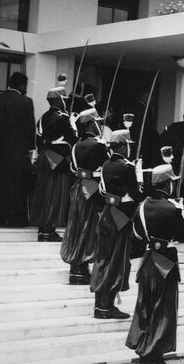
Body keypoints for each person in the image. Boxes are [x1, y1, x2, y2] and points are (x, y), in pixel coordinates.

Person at [125, 163, 184, 364]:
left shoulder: (141, 207)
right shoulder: (173, 209)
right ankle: (153, 353)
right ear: (167, 184)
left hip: (147, 261)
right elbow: (183, 236)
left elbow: (136, 233)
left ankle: (143, 345)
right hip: (166, 262)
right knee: (163, 310)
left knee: (145, 307)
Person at [90, 134, 141, 319]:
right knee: (116, 260)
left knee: (102, 259)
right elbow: (136, 193)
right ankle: (107, 306)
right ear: (121, 147)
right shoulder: (128, 167)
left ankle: (99, 306)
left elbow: (103, 190)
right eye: (127, 145)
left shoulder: (106, 165)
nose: (129, 148)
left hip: (107, 213)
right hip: (121, 218)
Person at [60, 109, 111, 285]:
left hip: (78, 188)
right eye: (97, 121)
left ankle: (75, 268)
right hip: (92, 190)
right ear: (91, 123)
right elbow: (106, 169)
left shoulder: (76, 145)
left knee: (76, 227)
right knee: (88, 229)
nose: (100, 125)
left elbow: (74, 168)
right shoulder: (99, 145)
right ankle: (81, 268)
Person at [0, 71, 35, 227]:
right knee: (16, 187)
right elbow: (30, 128)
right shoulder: (26, 101)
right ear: (22, 85)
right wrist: (30, 148)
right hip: (17, 154)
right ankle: (16, 219)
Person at [30, 87, 77, 241]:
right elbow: (73, 139)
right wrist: (74, 125)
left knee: (43, 194)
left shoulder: (43, 117)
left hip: (44, 158)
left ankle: (42, 229)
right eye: (65, 99)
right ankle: (48, 231)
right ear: (59, 100)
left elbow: (39, 140)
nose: (67, 102)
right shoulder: (63, 118)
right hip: (58, 160)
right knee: (56, 195)